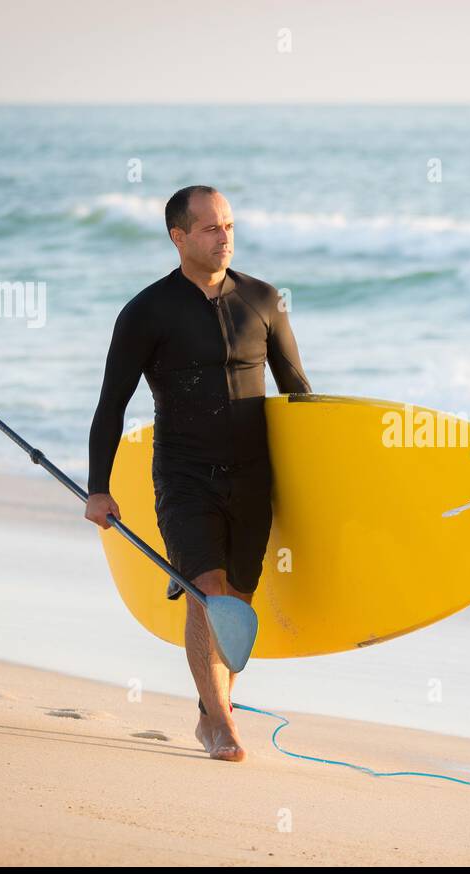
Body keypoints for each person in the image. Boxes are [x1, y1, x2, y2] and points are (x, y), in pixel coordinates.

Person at [85, 185, 311, 761]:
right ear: (178, 236)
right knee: (207, 595)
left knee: (239, 597)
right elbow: (111, 404)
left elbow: (298, 396)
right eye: (210, 228)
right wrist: (98, 488)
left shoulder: (263, 300)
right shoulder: (147, 312)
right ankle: (222, 723)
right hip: (184, 474)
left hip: (253, 476)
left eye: (229, 225)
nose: (224, 237)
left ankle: (213, 707)